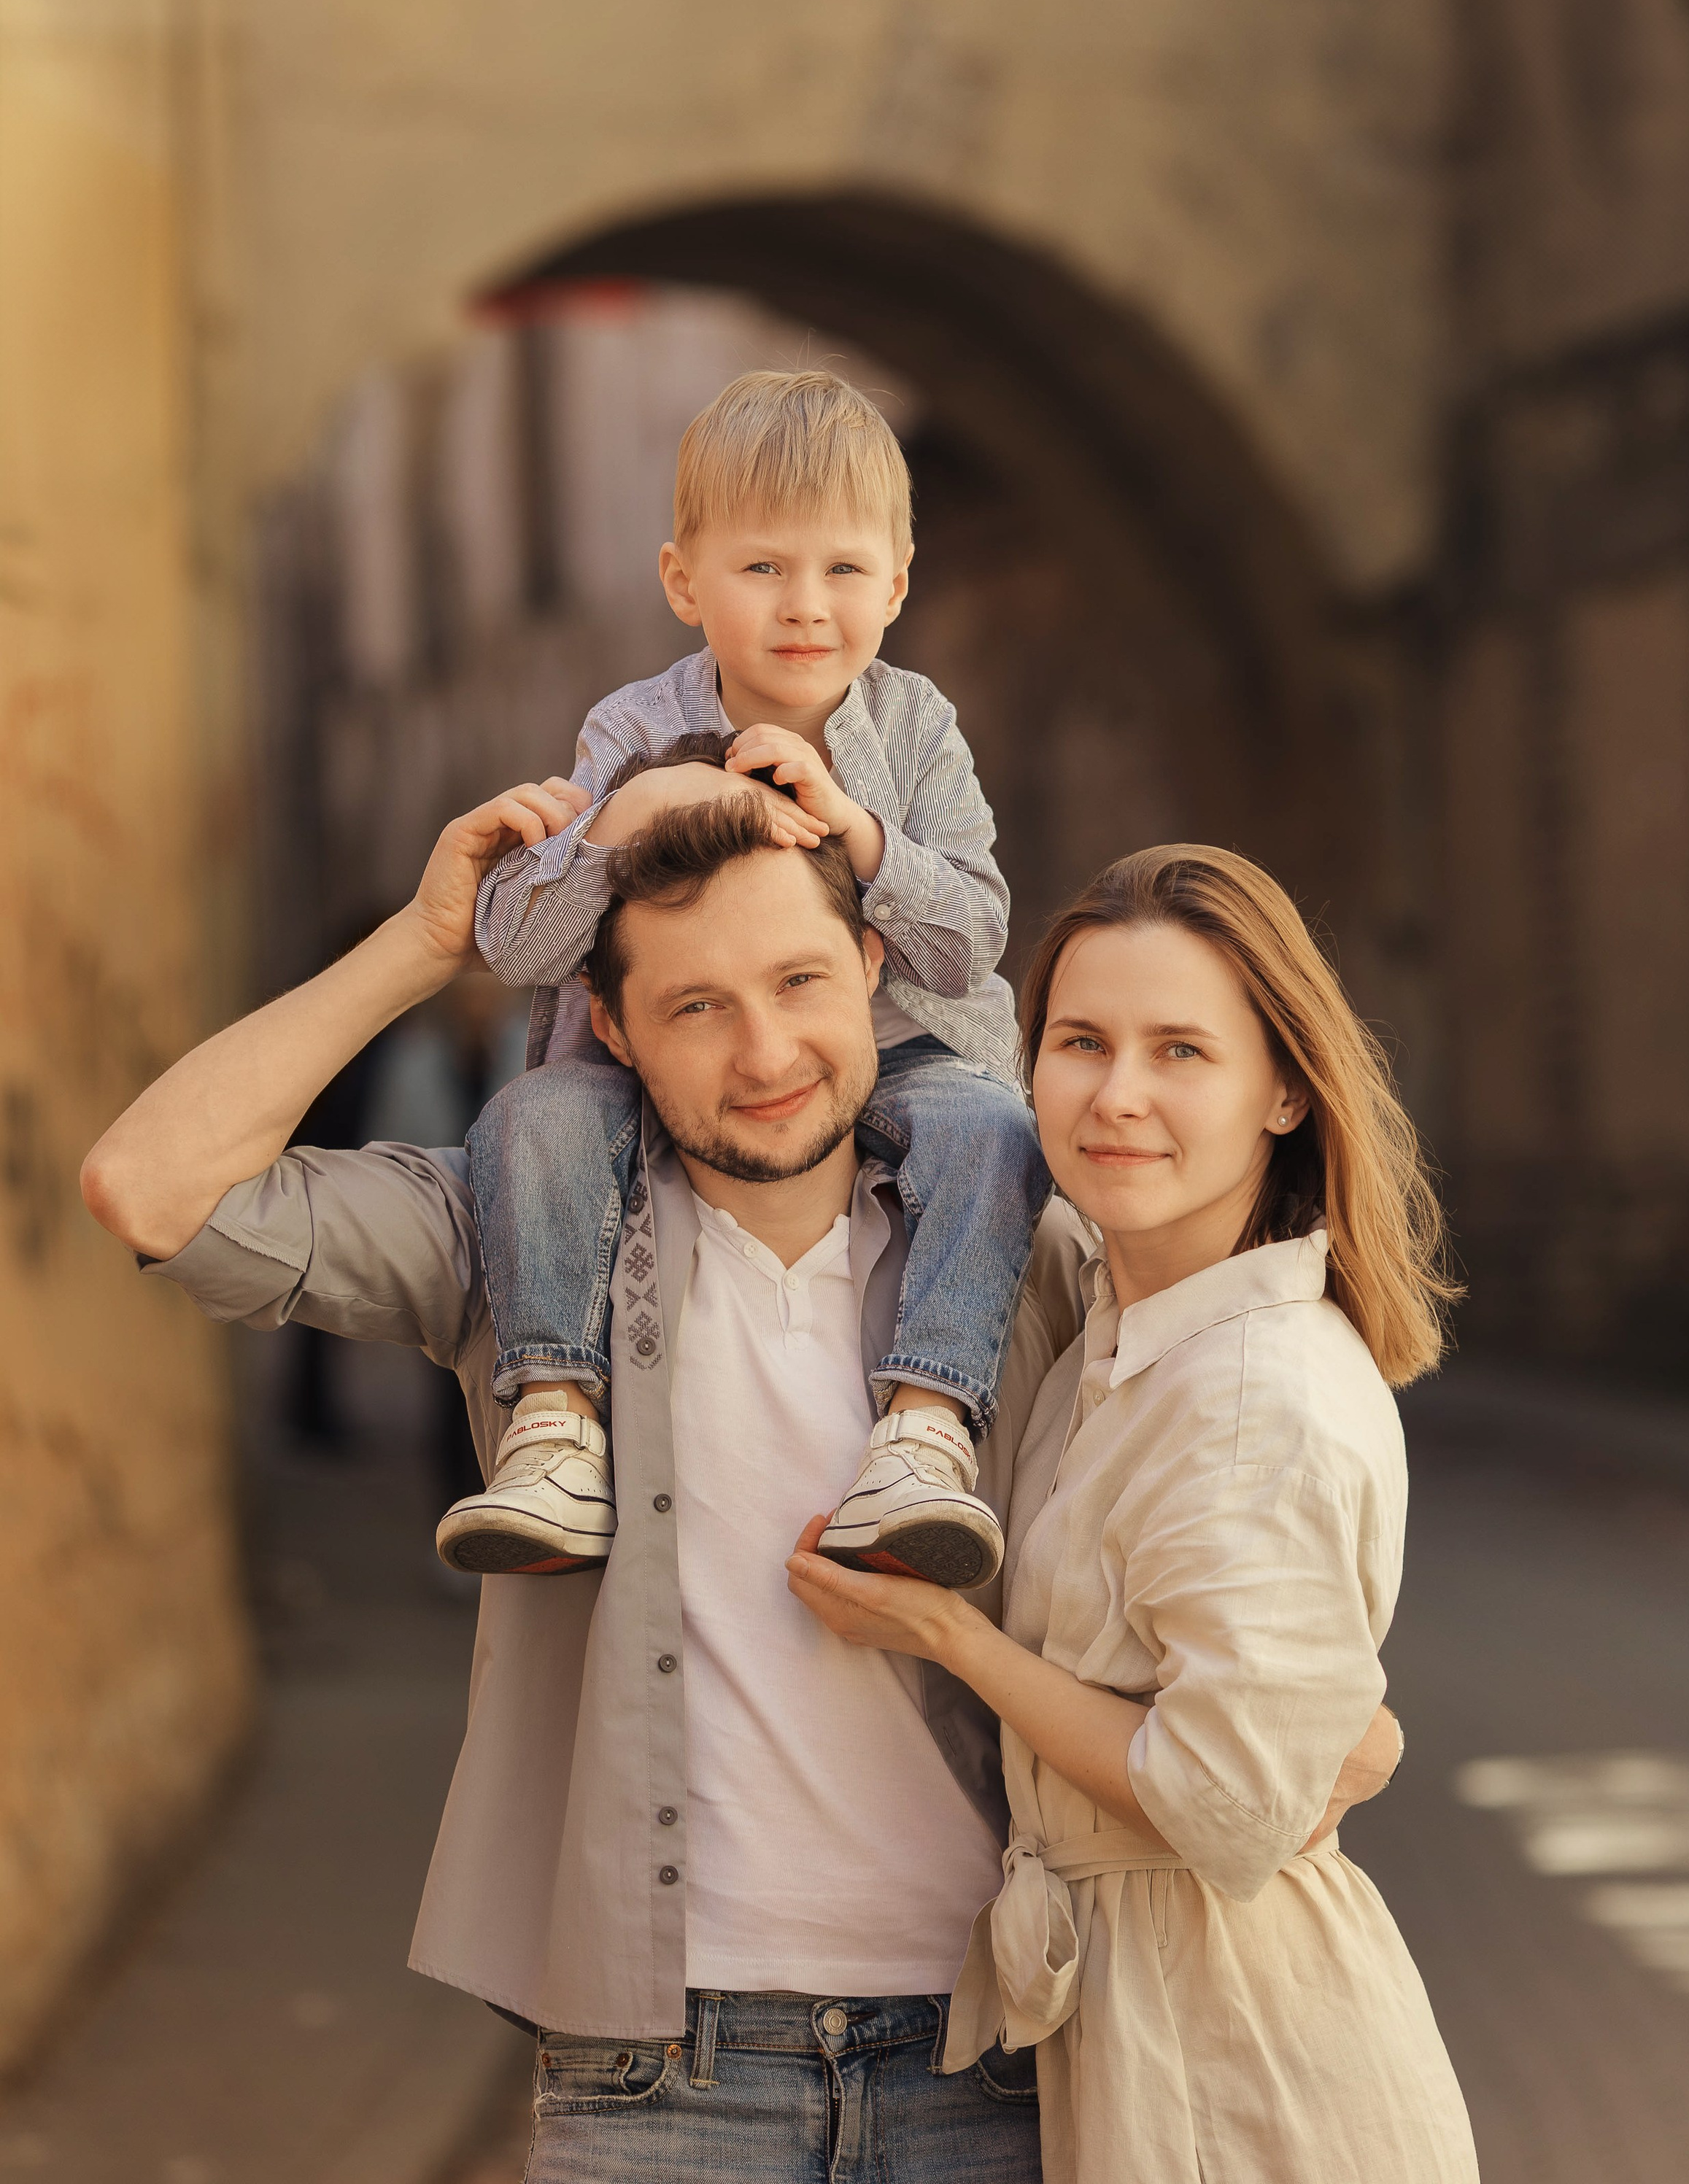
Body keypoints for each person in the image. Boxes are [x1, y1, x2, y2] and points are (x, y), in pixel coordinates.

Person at [80, 778, 1397, 2180]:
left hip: (1000, 2051)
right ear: (614, 1028)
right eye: (696, 1006)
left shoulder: (1030, 1256)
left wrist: (1341, 1736)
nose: (765, 1051)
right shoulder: (521, 1243)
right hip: (657, 2079)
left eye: (799, 981)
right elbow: (150, 1189)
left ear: (875, 971)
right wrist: (423, 944)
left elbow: (1238, 1590)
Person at [788, 843, 1480, 2183]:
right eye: (1080, 1042)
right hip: (1145, 2028)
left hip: (1246, 2062)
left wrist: (950, 1639)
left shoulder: (1249, 1396)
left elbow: (1226, 1801)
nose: (1117, 1097)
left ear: (1284, 1089)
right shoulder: (1115, 1327)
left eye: (1181, 1052)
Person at [448, 366, 1053, 1589]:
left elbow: (973, 936)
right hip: (659, 1062)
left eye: (842, 570)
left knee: (996, 1133)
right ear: (686, 582)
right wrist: (628, 816)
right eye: (762, 568)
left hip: (917, 1048)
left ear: (897, 580)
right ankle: (558, 1422)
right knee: (528, 1122)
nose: (805, 607)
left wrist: (860, 833)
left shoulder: (917, 726)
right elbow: (516, 942)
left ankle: (929, 1428)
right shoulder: (627, 728)